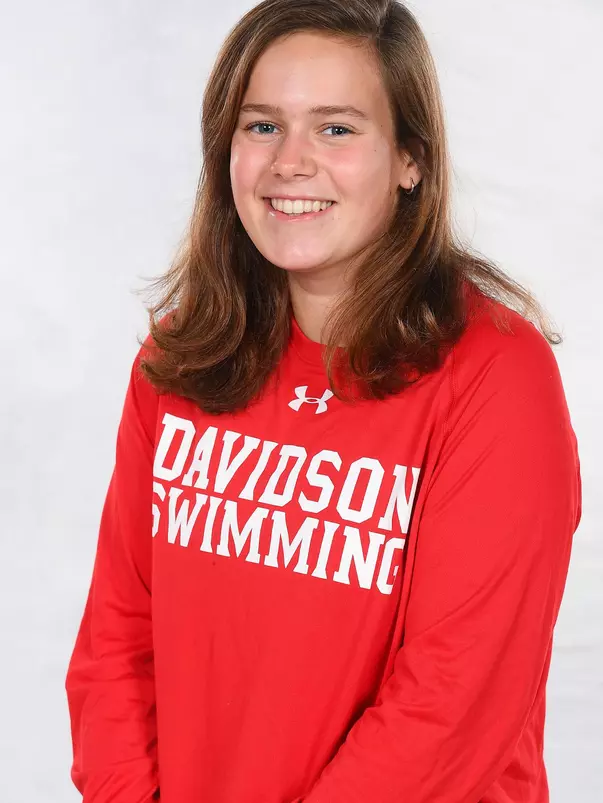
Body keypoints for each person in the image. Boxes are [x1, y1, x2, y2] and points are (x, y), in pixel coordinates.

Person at [64, 1, 582, 801]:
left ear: (409, 158)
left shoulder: (494, 375)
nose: (289, 162)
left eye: (335, 128)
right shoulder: (182, 356)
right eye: (262, 126)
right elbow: (117, 644)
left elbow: (450, 705)